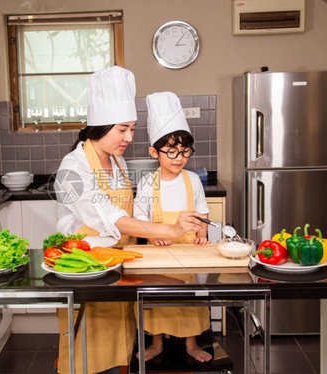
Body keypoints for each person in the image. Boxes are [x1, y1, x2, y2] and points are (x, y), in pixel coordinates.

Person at [54, 67, 206, 374]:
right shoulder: (73, 168)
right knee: (86, 353)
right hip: (86, 270)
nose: (129, 137)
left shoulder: (117, 160)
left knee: (120, 350)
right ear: (101, 125)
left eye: (133, 129)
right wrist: (169, 229)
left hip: (117, 267)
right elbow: (113, 217)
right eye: (123, 129)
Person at [133, 91, 213, 362]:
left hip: (189, 253)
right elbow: (138, 220)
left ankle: (191, 344)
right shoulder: (147, 183)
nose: (179, 158)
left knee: (190, 300)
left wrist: (202, 235)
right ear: (154, 152)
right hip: (159, 256)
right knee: (157, 302)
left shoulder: (192, 180)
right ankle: (156, 343)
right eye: (171, 151)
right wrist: (154, 236)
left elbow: (202, 216)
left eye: (185, 151)